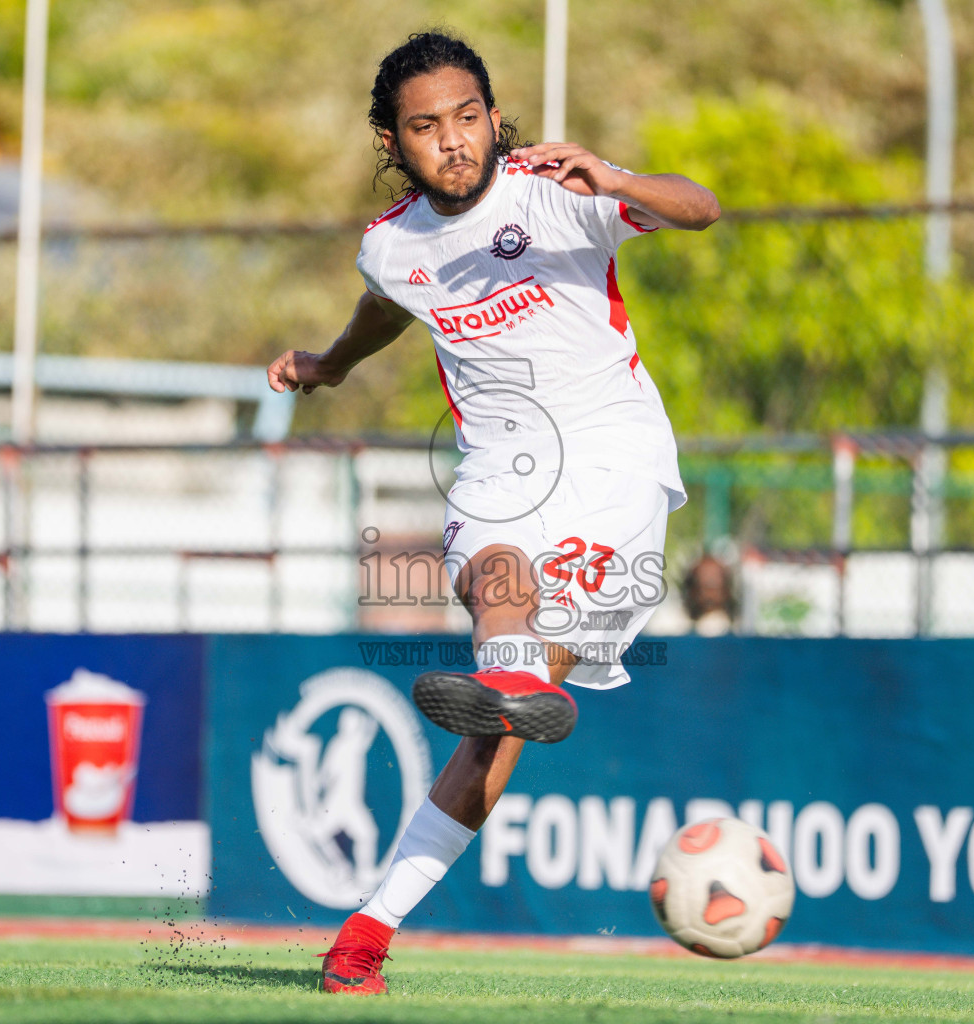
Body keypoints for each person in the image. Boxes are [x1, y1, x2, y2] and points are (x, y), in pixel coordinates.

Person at [265, 32, 719, 996]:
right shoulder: (391, 244)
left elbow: (702, 208)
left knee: (493, 737)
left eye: (468, 118)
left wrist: (614, 174)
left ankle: (368, 930)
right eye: (427, 127)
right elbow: (387, 303)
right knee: (495, 578)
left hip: (616, 460)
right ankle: (509, 668)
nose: (454, 142)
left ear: (494, 117)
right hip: (501, 460)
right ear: (392, 140)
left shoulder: (560, 189)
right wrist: (330, 364)